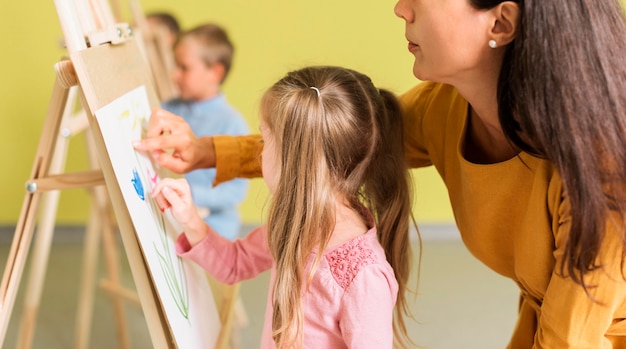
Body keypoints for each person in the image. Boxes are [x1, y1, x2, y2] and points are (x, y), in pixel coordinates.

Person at [134, 0, 626, 347]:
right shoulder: (445, 109)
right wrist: (202, 151)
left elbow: (571, 340)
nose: (400, 8)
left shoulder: (600, 177)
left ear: (500, 21)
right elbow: (315, 146)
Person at [150, 66, 415, 348]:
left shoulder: (363, 276)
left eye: (265, 140)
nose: (260, 151)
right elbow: (235, 264)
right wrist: (190, 219)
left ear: (296, 161)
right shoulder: (294, 223)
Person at [162, 23, 250, 241]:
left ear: (215, 72)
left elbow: (234, 192)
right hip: (172, 220)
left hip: (214, 228)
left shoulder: (232, 124)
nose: (175, 75)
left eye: (184, 67)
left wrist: (189, 194)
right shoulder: (167, 109)